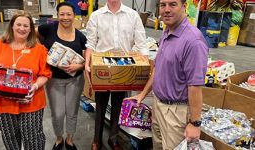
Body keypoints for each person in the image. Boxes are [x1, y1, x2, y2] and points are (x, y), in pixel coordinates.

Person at [128, 0, 209, 149]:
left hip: (176, 113)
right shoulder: (167, 31)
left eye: (172, 4)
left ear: (184, 7)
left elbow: (195, 87)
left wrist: (194, 123)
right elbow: (159, 68)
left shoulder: (193, 41)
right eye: (162, 5)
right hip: (158, 106)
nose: (166, 10)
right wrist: (143, 94)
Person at [0, 10, 52, 150]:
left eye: (26, 26)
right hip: (2, 103)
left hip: (31, 103)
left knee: (33, 137)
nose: (22, 28)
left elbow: (44, 74)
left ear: (31, 29)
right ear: (11, 26)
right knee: (10, 137)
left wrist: (34, 86)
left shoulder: (39, 49)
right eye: (18, 24)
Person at [84, 0, 148, 149]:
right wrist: (87, 64)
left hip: (123, 68)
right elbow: (91, 43)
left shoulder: (132, 15)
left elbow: (141, 42)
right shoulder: (96, 16)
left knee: (118, 105)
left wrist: (145, 66)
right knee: (100, 105)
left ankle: (113, 139)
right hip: (103, 68)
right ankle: (96, 139)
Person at [37, 2, 87, 150]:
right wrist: (42, 48)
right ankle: (59, 138)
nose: (65, 17)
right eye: (62, 14)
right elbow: (35, 34)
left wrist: (80, 66)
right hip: (53, 80)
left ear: (74, 16)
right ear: (57, 15)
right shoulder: (48, 29)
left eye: (69, 14)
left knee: (72, 111)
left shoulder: (80, 36)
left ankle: (70, 139)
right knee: (57, 113)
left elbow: (87, 60)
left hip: (75, 80)